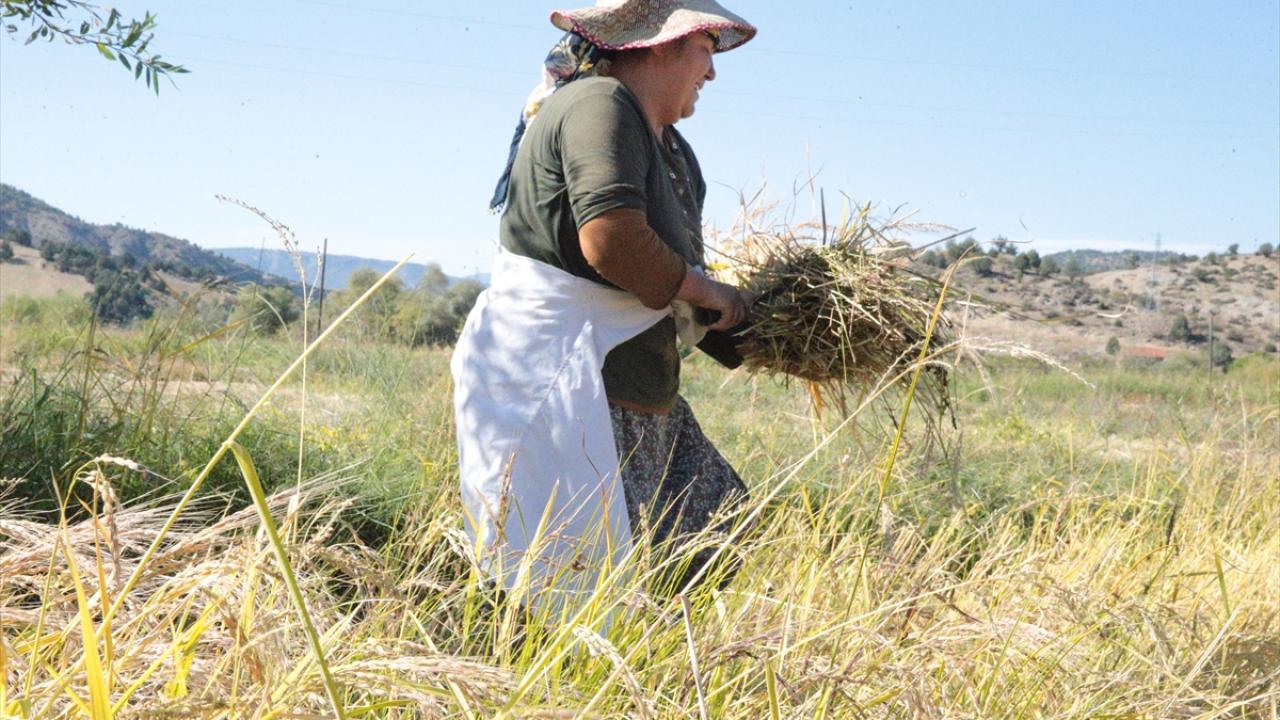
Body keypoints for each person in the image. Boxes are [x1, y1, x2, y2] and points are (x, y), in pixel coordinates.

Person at [452, 0, 758, 612]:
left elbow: (670, 272)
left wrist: (764, 325)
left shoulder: (671, 149)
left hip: (635, 394)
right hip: (571, 386)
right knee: (557, 589)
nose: (713, 71)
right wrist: (711, 294)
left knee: (715, 534)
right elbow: (612, 240)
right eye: (707, 49)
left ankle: (634, 679)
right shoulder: (599, 104)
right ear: (664, 43)